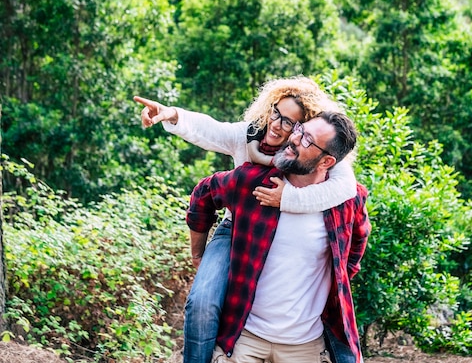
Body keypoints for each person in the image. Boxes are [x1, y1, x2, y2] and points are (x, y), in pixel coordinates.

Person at [133, 77, 357, 363]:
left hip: (283, 236)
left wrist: (287, 199)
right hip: (236, 228)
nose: (277, 124)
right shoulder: (250, 136)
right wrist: (173, 114)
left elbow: (346, 188)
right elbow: (211, 131)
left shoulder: (304, 154)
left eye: (290, 122)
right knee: (202, 302)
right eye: (276, 113)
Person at [187, 111, 370, 363]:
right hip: (244, 339)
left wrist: (336, 279)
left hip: (305, 346)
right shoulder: (253, 182)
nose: (294, 139)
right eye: (300, 130)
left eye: (307, 140)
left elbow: (356, 245)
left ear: (326, 162)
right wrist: (198, 253)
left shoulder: (345, 202)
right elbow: (203, 195)